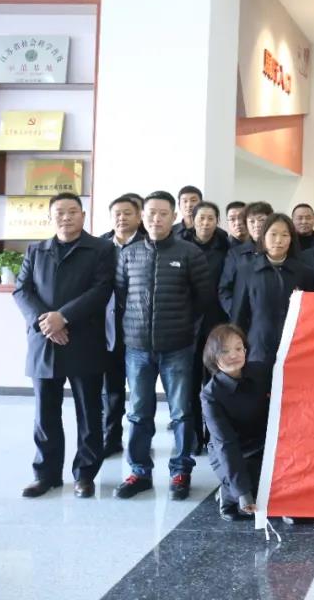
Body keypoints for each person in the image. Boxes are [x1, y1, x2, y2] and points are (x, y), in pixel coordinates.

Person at [14, 193, 115, 499]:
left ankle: (85, 475)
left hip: (83, 340)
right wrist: (47, 323)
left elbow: (102, 290)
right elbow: (22, 290)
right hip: (44, 341)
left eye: (73, 211)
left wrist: (64, 317)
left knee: (89, 412)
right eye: (60, 212)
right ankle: (46, 475)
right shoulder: (36, 250)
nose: (66, 217)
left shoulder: (101, 249)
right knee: (45, 413)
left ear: (83, 215)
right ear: (50, 217)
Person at [114, 190, 213, 501]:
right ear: (143, 216)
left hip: (178, 348)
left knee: (181, 412)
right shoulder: (129, 253)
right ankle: (139, 472)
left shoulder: (189, 253)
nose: (156, 219)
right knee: (138, 413)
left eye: (163, 213)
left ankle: (180, 471)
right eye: (151, 213)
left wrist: (185, 329)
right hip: (137, 349)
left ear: (174, 217)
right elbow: (120, 296)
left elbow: (204, 298)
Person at [200, 324, 270, 521]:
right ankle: (228, 494)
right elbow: (225, 444)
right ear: (213, 356)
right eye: (225, 351)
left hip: (262, 445)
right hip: (229, 451)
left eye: (239, 348)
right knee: (252, 487)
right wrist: (243, 494)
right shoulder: (210, 395)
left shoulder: (261, 372)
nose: (234, 355)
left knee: (278, 479)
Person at [178, 201, 231, 451]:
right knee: (188, 384)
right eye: (201, 218)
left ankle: (214, 435)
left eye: (211, 218)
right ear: (193, 220)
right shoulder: (181, 245)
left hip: (215, 323)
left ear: (217, 221)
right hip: (186, 324)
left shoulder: (226, 247)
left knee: (215, 382)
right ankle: (192, 437)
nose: (206, 223)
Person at [235, 214, 314, 364]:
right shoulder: (247, 271)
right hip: (258, 351)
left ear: (291, 239)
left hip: (295, 349)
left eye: (284, 235)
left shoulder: (304, 272)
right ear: (263, 237)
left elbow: (312, 314)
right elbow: (239, 315)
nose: (278, 240)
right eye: (273, 234)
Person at [99, 194, 146, 457]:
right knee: (111, 388)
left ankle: (141, 442)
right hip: (107, 328)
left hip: (139, 327)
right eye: (117, 213)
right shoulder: (100, 246)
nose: (122, 218)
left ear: (139, 217)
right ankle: (111, 438)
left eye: (128, 213)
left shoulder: (148, 244)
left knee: (141, 390)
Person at [218, 201, 273, 319]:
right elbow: (224, 289)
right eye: (251, 221)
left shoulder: (278, 249)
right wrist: (235, 312)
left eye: (261, 220)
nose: (257, 225)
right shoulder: (235, 254)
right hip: (244, 319)